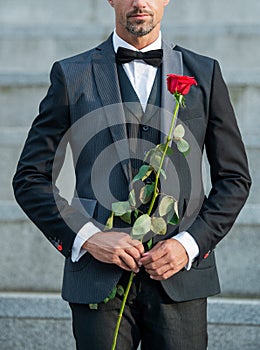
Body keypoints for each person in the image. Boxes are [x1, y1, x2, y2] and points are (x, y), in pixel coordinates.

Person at [13, 0, 251, 349]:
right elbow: (29, 178)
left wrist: (188, 245)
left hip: (180, 280)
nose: (139, 2)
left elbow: (234, 179)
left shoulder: (205, 73)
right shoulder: (71, 74)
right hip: (98, 278)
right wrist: (89, 238)